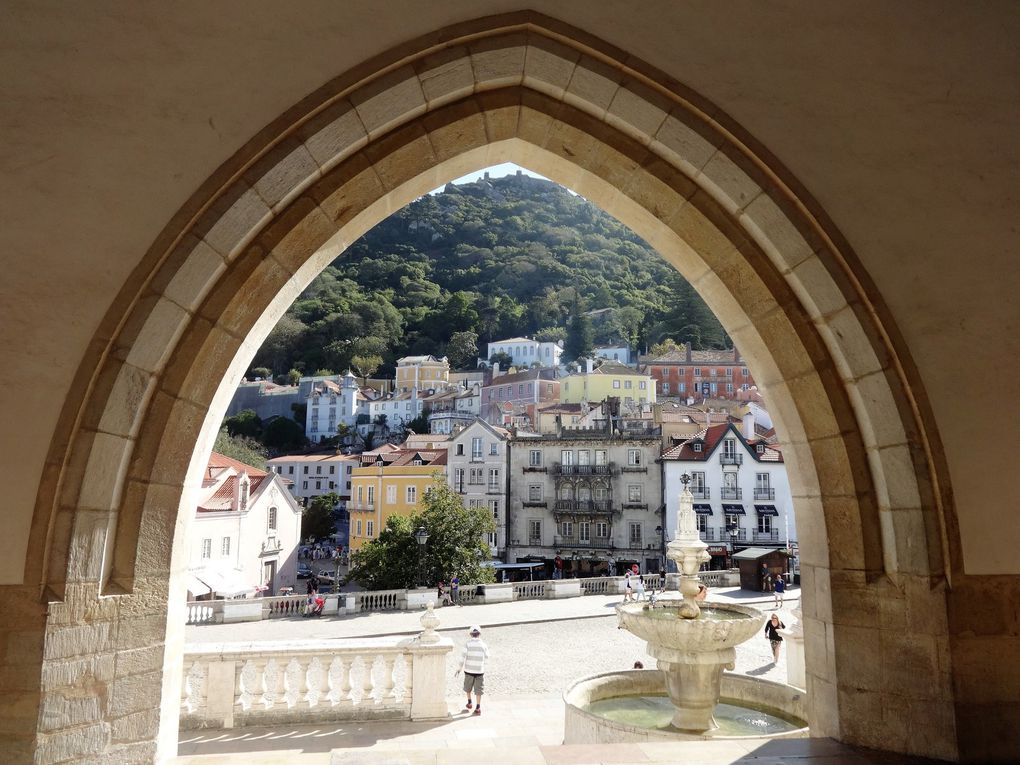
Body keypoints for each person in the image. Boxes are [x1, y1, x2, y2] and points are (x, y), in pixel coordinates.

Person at [455, 625, 489, 716]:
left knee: (468, 687)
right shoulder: (484, 645)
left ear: (470, 634)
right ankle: (478, 707)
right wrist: (482, 665)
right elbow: (487, 657)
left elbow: (462, 658)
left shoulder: (467, 644)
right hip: (479, 671)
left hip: (469, 670)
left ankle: (469, 702)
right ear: (480, 634)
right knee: (479, 690)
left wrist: (459, 668)